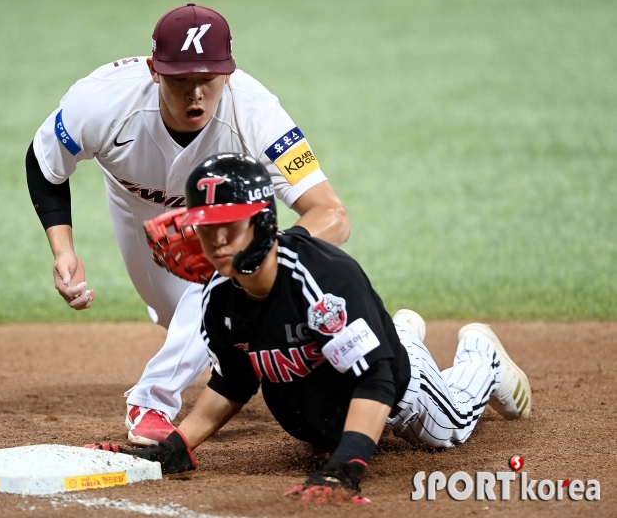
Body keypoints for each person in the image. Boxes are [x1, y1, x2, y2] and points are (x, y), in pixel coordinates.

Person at [85, 153, 532, 503]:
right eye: (207, 228)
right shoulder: (217, 296)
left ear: (261, 221)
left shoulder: (319, 280)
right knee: (358, 343)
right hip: (339, 382)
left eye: (229, 226)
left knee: (446, 430)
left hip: (395, 392)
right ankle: (398, 330)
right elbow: (234, 380)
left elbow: (376, 378)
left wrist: (347, 465)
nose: (216, 241)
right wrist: (180, 445)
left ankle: (481, 356)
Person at [25, 4, 350, 446]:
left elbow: (332, 214)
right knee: (181, 317)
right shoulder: (101, 101)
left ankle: (151, 401)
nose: (195, 93)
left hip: (223, 223)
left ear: (229, 74)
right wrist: (63, 249)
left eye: (208, 80)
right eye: (181, 80)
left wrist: (259, 253)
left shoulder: (255, 112)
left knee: (222, 282)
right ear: (154, 70)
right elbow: (44, 165)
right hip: (137, 212)